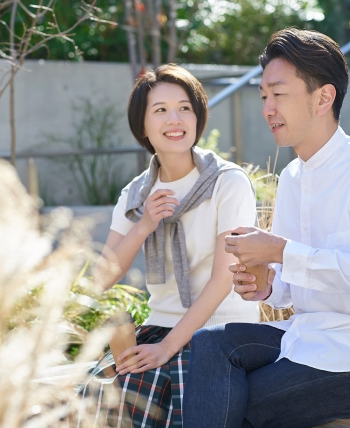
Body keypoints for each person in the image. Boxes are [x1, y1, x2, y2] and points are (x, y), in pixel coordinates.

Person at [182, 28, 350, 428]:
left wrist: (280, 251)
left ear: (324, 97)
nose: (267, 108)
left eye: (279, 94)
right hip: (308, 338)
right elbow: (293, 283)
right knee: (211, 344)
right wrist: (266, 283)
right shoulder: (293, 177)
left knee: (243, 402)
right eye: (263, 96)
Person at [87, 64, 260, 427]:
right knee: (92, 396)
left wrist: (168, 348)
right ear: (143, 125)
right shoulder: (135, 194)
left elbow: (223, 280)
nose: (175, 119)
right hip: (157, 327)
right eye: (160, 110)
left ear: (198, 117)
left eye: (185, 107)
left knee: (147, 394)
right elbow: (101, 279)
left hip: (218, 334)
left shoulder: (227, 183)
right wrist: (144, 224)